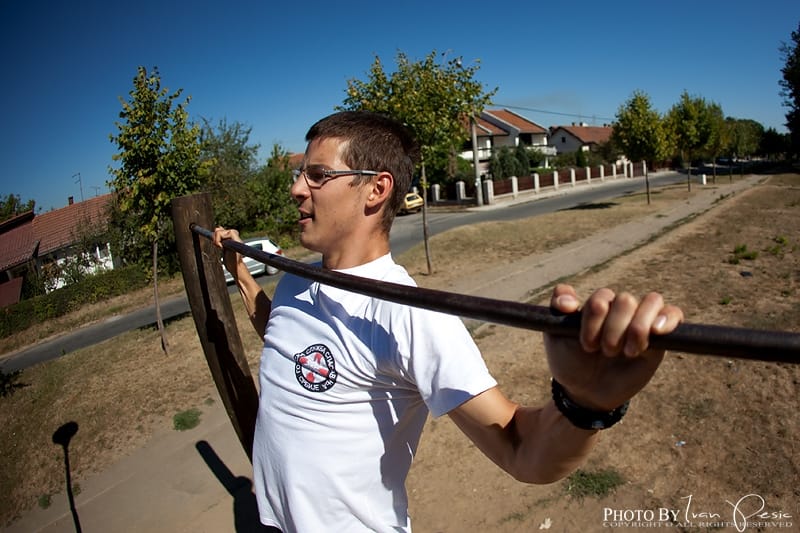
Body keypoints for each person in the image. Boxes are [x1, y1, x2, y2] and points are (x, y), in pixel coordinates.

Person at [212, 110, 684, 532]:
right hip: (271, 522)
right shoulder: (296, 279)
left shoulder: (408, 312)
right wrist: (241, 275)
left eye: (317, 176)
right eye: (300, 174)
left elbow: (520, 450)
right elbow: (279, 328)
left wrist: (584, 406)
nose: (296, 188)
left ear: (375, 189)